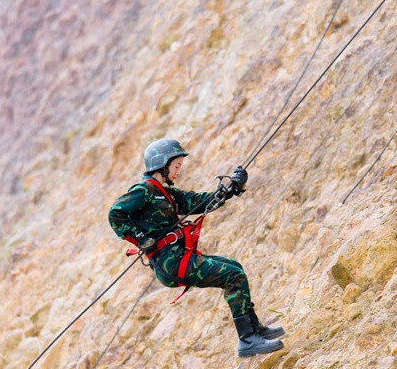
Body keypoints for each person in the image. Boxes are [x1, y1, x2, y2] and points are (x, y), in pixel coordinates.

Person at [108, 138, 286, 357]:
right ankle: (247, 340)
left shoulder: (168, 194)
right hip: (170, 263)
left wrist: (231, 189)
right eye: (176, 166)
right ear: (162, 165)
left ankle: (254, 329)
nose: (178, 171)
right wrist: (140, 238)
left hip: (177, 258)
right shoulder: (143, 190)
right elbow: (115, 213)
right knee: (233, 276)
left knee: (234, 267)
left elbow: (199, 202)